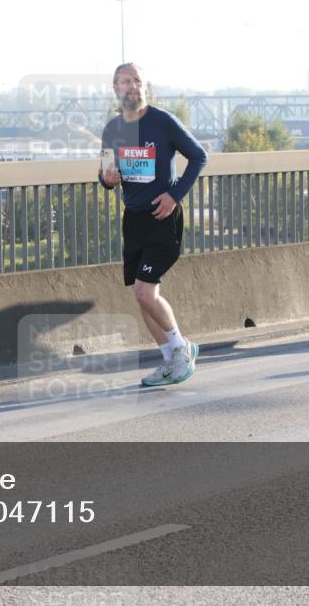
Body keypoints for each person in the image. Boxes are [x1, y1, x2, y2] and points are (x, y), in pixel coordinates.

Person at [98, 63, 207, 385]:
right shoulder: (112, 129)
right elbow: (106, 175)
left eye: (137, 81)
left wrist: (174, 196)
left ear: (146, 87)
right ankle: (168, 361)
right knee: (141, 296)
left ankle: (181, 349)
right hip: (133, 219)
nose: (131, 87)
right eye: (124, 82)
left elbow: (199, 156)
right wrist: (106, 179)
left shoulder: (163, 122)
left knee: (147, 293)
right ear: (115, 89)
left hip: (163, 216)